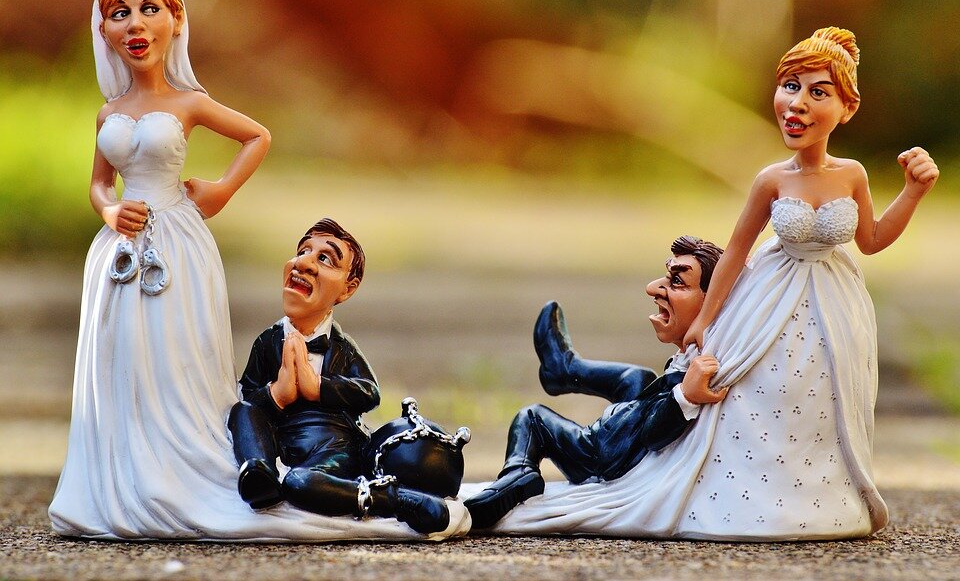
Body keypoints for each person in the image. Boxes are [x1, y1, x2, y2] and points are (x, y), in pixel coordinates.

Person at [49, 0, 468, 542]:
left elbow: (256, 136)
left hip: (176, 243)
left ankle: (181, 461)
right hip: (118, 254)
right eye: (120, 14)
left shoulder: (188, 102)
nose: (136, 25)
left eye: (149, 9)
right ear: (104, 29)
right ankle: (121, 468)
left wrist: (220, 190)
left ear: (175, 19)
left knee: (172, 353)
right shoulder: (108, 114)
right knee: (121, 356)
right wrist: (111, 209)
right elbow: (98, 182)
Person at [465, 27, 938, 541]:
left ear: (847, 108)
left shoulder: (852, 175)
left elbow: (871, 239)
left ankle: (817, 496)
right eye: (790, 86)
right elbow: (735, 253)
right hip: (770, 302)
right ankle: (748, 492)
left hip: (834, 307)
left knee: (820, 400)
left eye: (818, 92)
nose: (797, 103)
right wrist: (708, 320)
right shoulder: (772, 180)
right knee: (750, 393)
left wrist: (912, 192)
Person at [465, 236, 727, 529]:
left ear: (711, 302)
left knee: (532, 418)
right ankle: (565, 369)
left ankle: (519, 473)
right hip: (625, 429)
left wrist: (685, 397)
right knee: (638, 379)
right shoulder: (692, 357)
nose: (653, 288)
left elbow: (654, 434)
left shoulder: (693, 373)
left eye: (676, 281)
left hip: (601, 452)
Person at [228, 219, 455, 535]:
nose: (304, 262)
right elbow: (249, 394)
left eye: (324, 258)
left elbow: (369, 392)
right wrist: (277, 394)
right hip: (282, 440)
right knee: (241, 411)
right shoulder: (268, 342)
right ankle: (259, 474)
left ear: (348, 288)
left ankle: (391, 499)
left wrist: (318, 387)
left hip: (333, 447)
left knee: (300, 483)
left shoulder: (342, 348)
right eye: (303, 251)